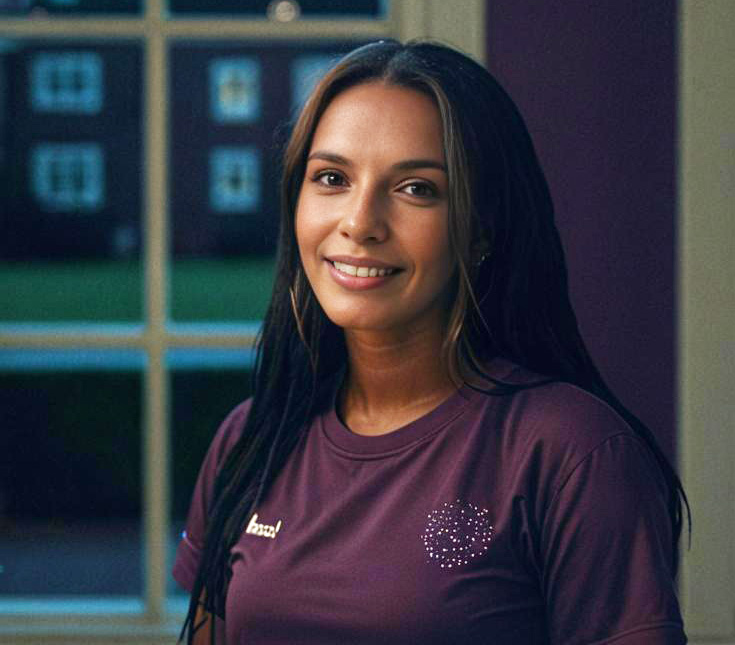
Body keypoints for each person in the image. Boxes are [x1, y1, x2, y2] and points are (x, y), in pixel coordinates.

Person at [174, 39, 688, 645]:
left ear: (481, 230)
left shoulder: (572, 453)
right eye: (332, 178)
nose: (360, 222)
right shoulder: (251, 439)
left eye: (417, 188)